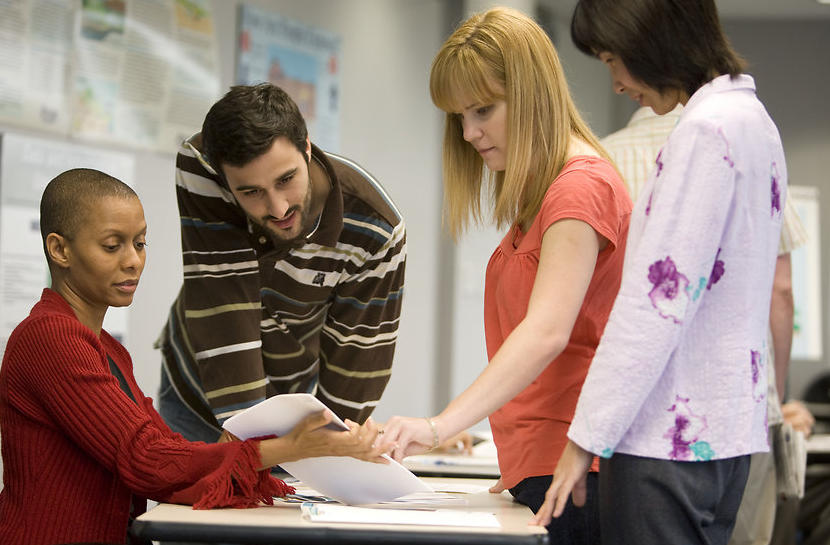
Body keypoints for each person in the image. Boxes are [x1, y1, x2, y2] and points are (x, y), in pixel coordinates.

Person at [0, 168, 387, 545]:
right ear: (59, 249)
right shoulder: (48, 336)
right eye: (112, 245)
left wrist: (267, 440)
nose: (133, 260)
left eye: (140, 243)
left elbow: (167, 446)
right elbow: (145, 459)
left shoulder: (106, 348)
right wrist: (289, 447)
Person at [532, 1, 788, 543]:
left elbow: (654, 304)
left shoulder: (705, 131)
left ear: (652, 41)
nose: (618, 84)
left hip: (666, 438)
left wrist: (584, 439)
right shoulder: (755, 122)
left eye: (611, 59)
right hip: (726, 434)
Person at [381, 7, 632, 543]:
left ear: (532, 93)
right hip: (540, 465)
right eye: (458, 117)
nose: (469, 133)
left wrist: (437, 426)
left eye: (483, 111)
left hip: (576, 469)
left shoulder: (577, 188)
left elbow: (546, 332)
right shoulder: (543, 193)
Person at [603, 105, 810, 545]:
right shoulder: (749, 151)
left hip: (637, 413)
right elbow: (781, 290)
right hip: (735, 405)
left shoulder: (602, 159)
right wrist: (773, 394)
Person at [156, 83, 407, 443]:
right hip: (196, 388)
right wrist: (251, 446)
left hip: (293, 399)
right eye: (251, 192)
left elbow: (359, 357)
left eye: (286, 180)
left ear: (306, 146)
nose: (278, 208)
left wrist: (327, 441)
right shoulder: (202, 166)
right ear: (226, 181)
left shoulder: (376, 229)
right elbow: (224, 302)